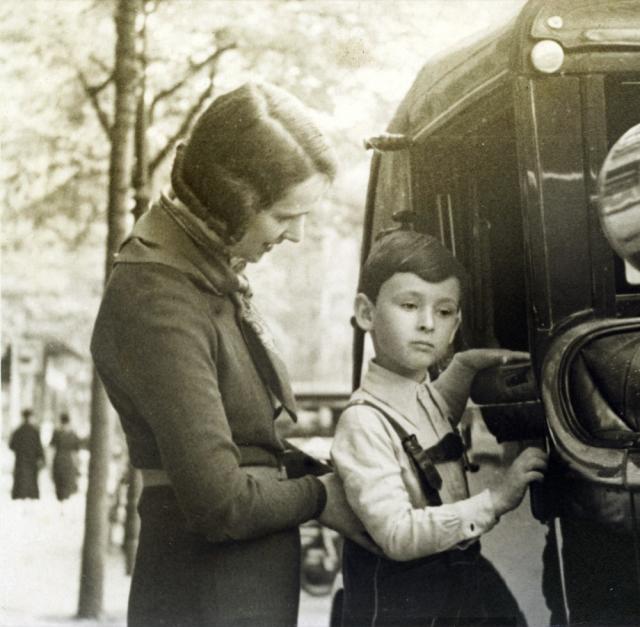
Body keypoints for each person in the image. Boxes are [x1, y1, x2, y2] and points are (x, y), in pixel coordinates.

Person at [90, 82, 371, 627]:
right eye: (285, 216)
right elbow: (218, 500)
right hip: (207, 591)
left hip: (229, 587)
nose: (296, 235)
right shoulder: (160, 296)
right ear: (231, 199)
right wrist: (320, 496)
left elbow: (248, 446)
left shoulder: (197, 273)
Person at [332, 230, 549, 626]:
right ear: (366, 313)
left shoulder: (424, 397)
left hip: (452, 585)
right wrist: (495, 500)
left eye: (445, 311)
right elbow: (396, 533)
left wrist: (464, 366)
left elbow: (433, 415)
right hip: (400, 607)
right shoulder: (363, 421)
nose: (428, 323)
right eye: (410, 305)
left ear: (456, 324)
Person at [9, 409, 44, 500]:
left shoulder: (18, 431)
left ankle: (21, 497)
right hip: (32, 461)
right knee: (31, 481)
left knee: (21, 481)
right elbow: (39, 447)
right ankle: (31, 497)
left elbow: (11, 445)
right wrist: (41, 458)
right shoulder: (35, 431)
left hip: (21, 460)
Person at [49, 412, 81, 501]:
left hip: (59, 459)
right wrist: (77, 465)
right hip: (68, 460)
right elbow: (76, 452)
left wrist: (50, 463)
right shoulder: (73, 434)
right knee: (67, 482)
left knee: (59, 482)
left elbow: (51, 448)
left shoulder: (57, 433)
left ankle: (61, 503)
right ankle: (65, 503)